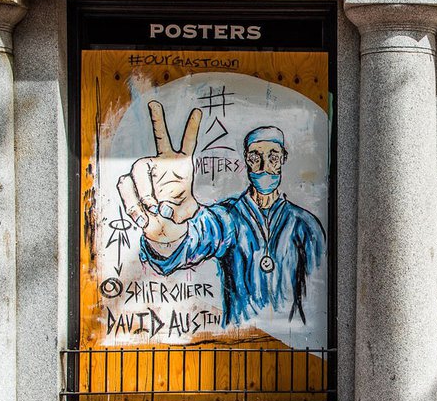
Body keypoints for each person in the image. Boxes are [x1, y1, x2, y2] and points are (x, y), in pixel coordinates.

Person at [117, 101, 326, 326]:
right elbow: (197, 236)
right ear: (246, 159)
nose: (264, 165)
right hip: (241, 346)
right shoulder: (230, 217)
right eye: (256, 157)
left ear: (283, 159)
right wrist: (166, 234)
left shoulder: (305, 224)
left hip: (296, 350)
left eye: (273, 156)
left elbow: (320, 286)